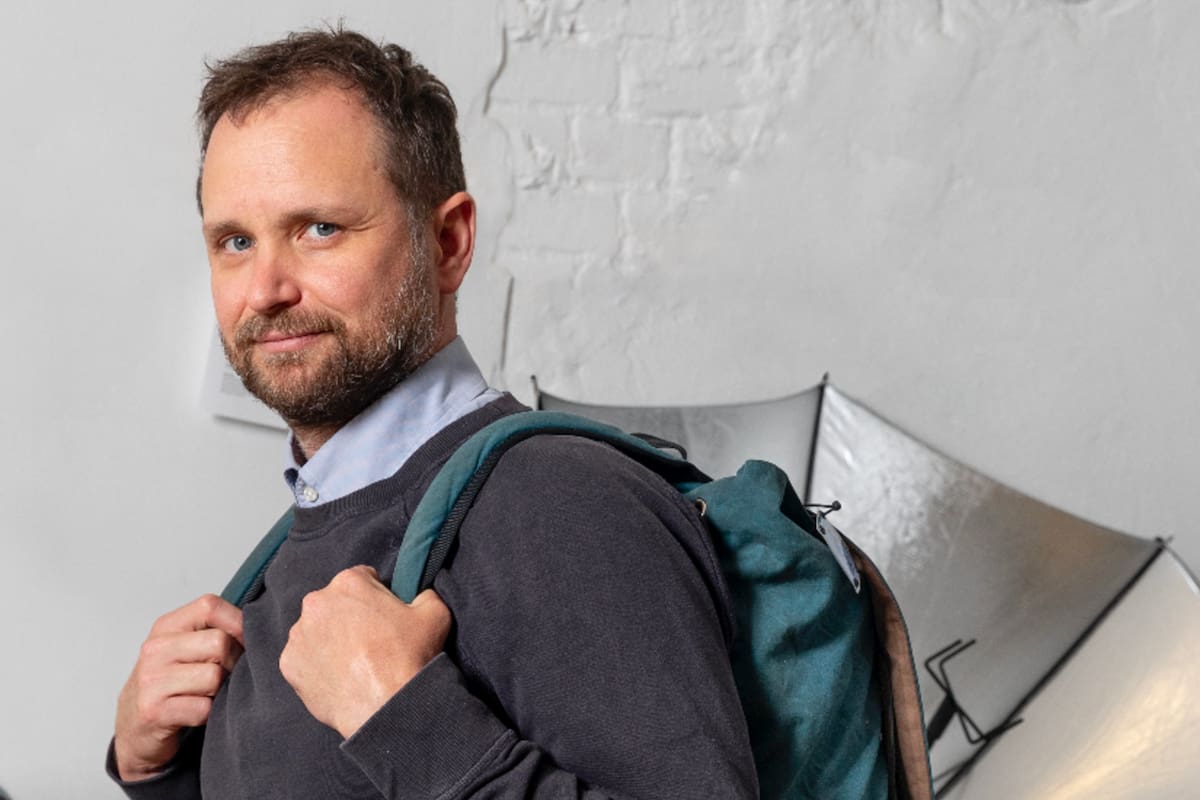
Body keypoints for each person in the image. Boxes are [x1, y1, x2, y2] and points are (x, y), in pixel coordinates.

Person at [108, 27, 757, 799]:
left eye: (320, 229)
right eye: (236, 241)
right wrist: (155, 770)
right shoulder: (292, 549)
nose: (266, 289)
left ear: (448, 242)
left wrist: (404, 721)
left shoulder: (560, 503)